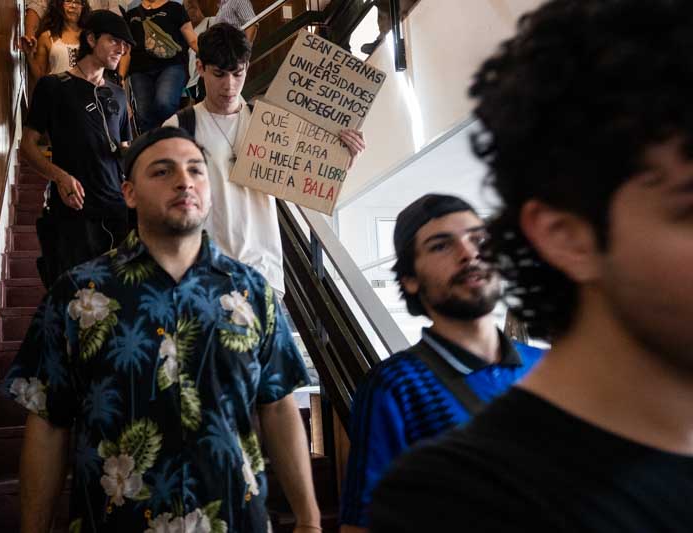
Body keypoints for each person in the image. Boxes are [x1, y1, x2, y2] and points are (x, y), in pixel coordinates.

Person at [370, 1, 693, 531]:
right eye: (687, 207)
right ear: (566, 236)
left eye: (475, 239)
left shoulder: (530, 360)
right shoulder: (458, 499)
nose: (469, 255)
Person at [5, 126, 322, 533]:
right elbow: (48, 422)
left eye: (196, 170)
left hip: (235, 520)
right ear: (129, 193)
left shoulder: (252, 291)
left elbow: (278, 405)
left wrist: (310, 521)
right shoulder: (76, 295)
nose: (184, 180)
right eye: (162, 171)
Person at [339, 193, 543, 533]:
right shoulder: (396, 386)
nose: (469, 253)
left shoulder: (551, 368)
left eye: (478, 239)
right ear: (410, 279)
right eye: (440, 246)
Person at [164, 23, 365, 297]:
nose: (229, 85)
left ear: (247, 67)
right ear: (200, 68)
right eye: (219, 74)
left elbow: (307, 175)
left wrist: (340, 156)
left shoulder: (270, 123)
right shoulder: (179, 126)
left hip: (262, 274)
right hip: (202, 277)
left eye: (238, 73)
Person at [20, 10, 135, 288]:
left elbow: (125, 150)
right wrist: (59, 176)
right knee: (75, 299)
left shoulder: (118, 95)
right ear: (92, 39)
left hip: (117, 212)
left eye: (126, 45)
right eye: (114, 41)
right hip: (74, 210)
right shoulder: (54, 87)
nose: (121, 49)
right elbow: (27, 146)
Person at [119, 0, 199, 133]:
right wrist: (120, 77)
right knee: (144, 113)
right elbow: (127, 51)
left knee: (165, 102)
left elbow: (192, 39)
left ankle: (171, 138)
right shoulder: (131, 14)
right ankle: (154, 147)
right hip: (140, 70)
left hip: (171, 65)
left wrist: (210, 57)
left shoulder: (175, 8)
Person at [21, 0, 122, 54]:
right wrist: (30, 39)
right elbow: (35, 9)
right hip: (58, 36)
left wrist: (120, 75)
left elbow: (118, 25)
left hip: (97, 46)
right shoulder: (46, 38)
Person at [26, 0, 90, 79]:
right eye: (68, 1)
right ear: (59, 5)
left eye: (77, 2)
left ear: (83, 8)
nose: (73, 6)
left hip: (85, 90)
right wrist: (29, 55)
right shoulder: (46, 37)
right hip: (56, 90)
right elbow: (40, 77)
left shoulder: (89, 37)